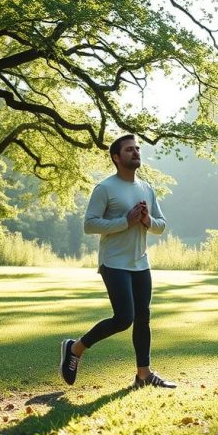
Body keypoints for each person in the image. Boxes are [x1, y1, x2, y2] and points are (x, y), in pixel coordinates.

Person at [59, 134, 177, 389]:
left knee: (143, 317)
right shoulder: (105, 188)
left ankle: (143, 375)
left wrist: (146, 221)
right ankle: (75, 348)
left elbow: (162, 225)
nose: (135, 153)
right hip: (114, 262)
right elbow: (89, 224)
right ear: (116, 157)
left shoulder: (147, 188)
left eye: (137, 149)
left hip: (140, 263)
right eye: (129, 150)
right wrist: (126, 221)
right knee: (124, 318)